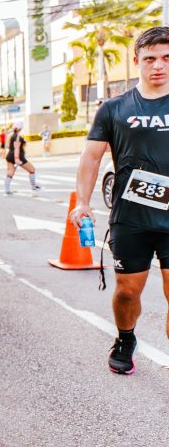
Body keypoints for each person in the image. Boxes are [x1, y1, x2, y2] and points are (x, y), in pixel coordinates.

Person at [71, 26, 169, 375]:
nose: (159, 65)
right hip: (132, 219)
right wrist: (83, 202)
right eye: (151, 59)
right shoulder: (114, 108)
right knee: (128, 291)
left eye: (167, 58)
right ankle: (125, 337)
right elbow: (91, 157)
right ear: (137, 61)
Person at [4, 122, 40, 194]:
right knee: (32, 169)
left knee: (10, 172)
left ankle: (7, 190)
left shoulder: (10, 136)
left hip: (9, 155)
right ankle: (34, 187)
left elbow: (8, 146)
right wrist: (17, 158)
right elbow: (16, 147)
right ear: (19, 128)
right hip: (18, 156)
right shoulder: (18, 136)